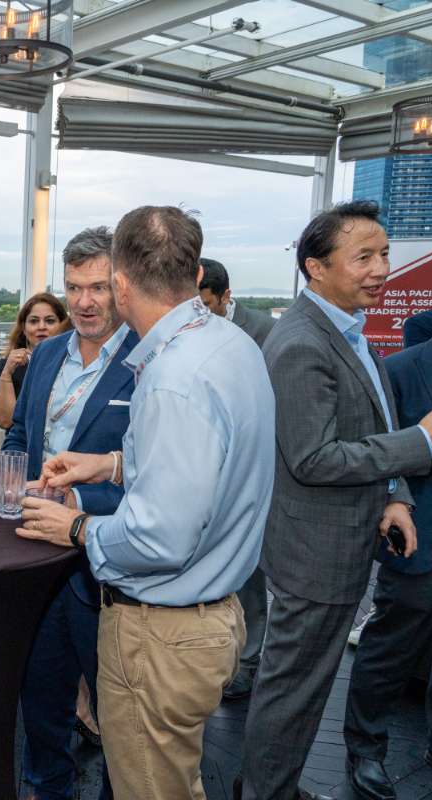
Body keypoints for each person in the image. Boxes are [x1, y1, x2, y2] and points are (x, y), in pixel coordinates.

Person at [20, 205, 275, 800]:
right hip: (211, 616)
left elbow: (158, 537)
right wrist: (111, 463)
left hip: (162, 635)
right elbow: (205, 463)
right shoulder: (231, 344)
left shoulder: (172, 378)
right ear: (194, 271)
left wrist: (77, 526)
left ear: (122, 283)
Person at [240, 200, 432, 800]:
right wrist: (421, 444)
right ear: (316, 266)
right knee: (291, 692)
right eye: (363, 257)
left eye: (383, 254)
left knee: (304, 690)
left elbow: (372, 425)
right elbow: (313, 458)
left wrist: (396, 495)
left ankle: (275, 786)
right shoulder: (302, 343)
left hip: (339, 545)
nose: (381, 269)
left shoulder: (347, 332)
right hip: (313, 555)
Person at [1, 226, 135, 800]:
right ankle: (46, 788)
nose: (83, 302)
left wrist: (78, 502)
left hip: (103, 570)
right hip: (34, 558)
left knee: (116, 710)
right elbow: (20, 436)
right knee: (40, 694)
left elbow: (153, 475)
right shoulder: (48, 353)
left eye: (98, 287)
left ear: (122, 286)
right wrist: (7, 479)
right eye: (74, 287)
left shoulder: (149, 358)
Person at [342, 266, 432, 800]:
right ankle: (365, 748)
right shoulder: (402, 370)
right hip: (422, 529)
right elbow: (382, 451)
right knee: (392, 645)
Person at [198, 256, 276, 701]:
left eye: (207, 305)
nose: (200, 314)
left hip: (249, 471)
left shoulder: (266, 332)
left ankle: (247, 661)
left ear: (226, 297)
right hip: (202, 468)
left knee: (250, 572)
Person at [0, 292, 71, 429]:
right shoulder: (8, 365)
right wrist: (7, 373)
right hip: (21, 441)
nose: (41, 327)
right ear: (24, 328)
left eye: (50, 321)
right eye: (33, 321)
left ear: (63, 326)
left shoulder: (73, 363)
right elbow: (4, 421)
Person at [197, 257, 275, 347]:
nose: (194, 311)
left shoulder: (267, 329)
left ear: (225, 297)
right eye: (189, 303)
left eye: (204, 304)